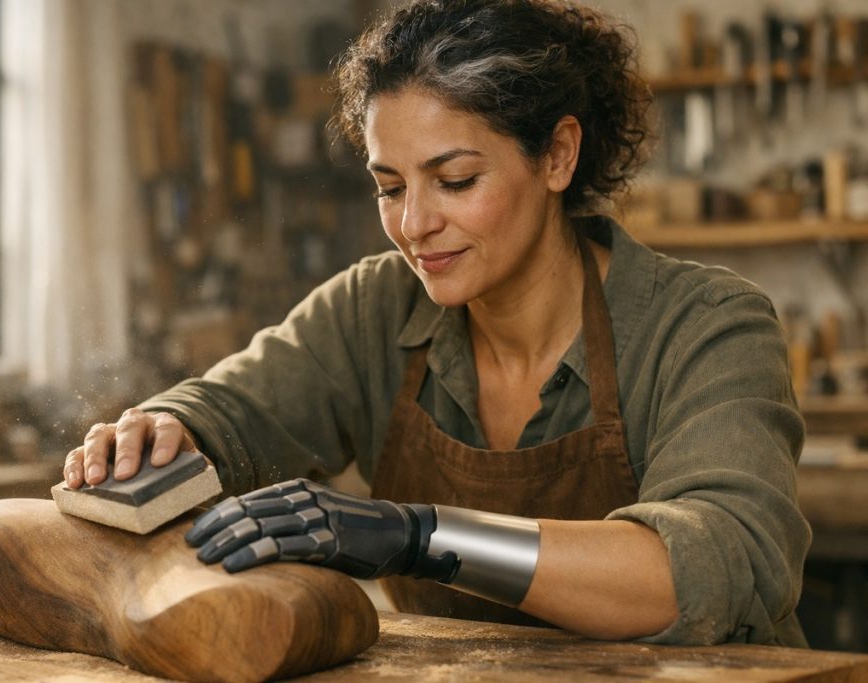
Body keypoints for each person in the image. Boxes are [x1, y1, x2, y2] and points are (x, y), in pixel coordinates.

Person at [63, 0, 810, 646]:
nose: (414, 225)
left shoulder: (706, 327)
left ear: (557, 155)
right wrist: (164, 429)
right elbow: (230, 413)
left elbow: (709, 570)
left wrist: (421, 536)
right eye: (390, 188)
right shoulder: (376, 307)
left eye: (456, 180)